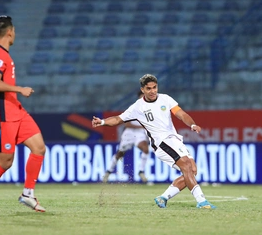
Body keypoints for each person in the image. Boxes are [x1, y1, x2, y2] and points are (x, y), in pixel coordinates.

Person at [92, 74, 216, 209]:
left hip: (174, 139)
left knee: (192, 170)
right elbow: (118, 119)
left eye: (154, 87)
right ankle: (202, 201)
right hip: (161, 143)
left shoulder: (165, 99)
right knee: (186, 166)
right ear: (143, 90)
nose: (152, 91)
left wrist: (192, 124)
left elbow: (181, 114)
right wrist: (102, 122)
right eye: (149, 88)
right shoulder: (138, 107)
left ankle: (163, 198)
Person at [0, 15, 47, 218]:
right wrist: (18, 89)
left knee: (39, 147)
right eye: (14, 31)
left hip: (15, 110)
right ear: (10, 32)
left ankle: (28, 193)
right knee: (6, 162)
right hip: (3, 116)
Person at [103, 90, 150, 184]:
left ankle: (141, 171)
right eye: (142, 96)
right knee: (120, 154)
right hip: (129, 133)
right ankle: (108, 172)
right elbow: (127, 125)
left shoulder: (150, 109)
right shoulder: (133, 108)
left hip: (140, 133)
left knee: (145, 148)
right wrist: (142, 126)